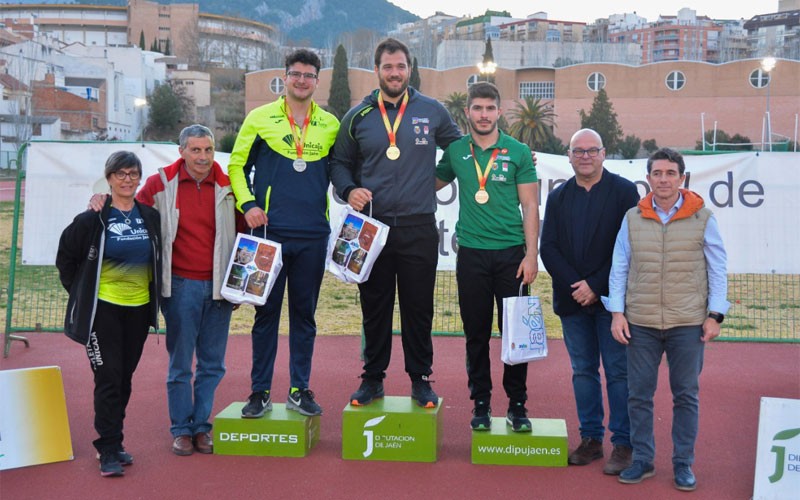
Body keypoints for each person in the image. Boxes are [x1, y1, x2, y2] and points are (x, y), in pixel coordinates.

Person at [330, 38, 462, 408]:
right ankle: (372, 378)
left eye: (400, 66)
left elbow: (462, 152)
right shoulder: (357, 116)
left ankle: (420, 379)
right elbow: (338, 164)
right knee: (375, 305)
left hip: (419, 225)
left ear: (409, 69)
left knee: (419, 307)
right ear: (377, 70)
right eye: (387, 67)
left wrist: (510, 153)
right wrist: (349, 189)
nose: (394, 73)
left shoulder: (432, 111)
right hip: (371, 228)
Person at [604, 148, 729, 491]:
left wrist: (715, 314)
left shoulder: (702, 217)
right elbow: (619, 267)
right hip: (641, 322)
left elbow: (717, 267)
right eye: (657, 173)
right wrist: (617, 313)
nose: (663, 179)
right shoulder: (633, 217)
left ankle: (682, 463)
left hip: (687, 323)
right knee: (638, 395)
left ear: (682, 178)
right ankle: (642, 460)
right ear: (648, 179)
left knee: (686, 395)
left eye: (670, 173)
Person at [227, 49, 339, 418]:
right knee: (266, 315)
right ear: (285, 77)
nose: (302, 80)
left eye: (309, 75)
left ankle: (299, 388)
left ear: (317, 81)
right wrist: (248, 205)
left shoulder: (330, 124)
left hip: (312, 235)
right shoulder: (260, 118)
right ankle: (259, 391)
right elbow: (236, 165)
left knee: (305, 317)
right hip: (269, 234)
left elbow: (341, 172)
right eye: (296, 74)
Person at [434, 82, 539, 432]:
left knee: (515, 335)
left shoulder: (518, 151)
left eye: (489, 108)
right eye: (477, 108)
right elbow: (425, 182)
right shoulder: (455, 151)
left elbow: (530, 205)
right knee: (475, 334)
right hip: (472, 256)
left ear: (499, 112)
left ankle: (517, 405)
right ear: (467, 112)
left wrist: (532, 255)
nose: (483, 114)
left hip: (512, 257)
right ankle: (481, 403)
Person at [540, 128, 640, 474]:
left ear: (604, 153)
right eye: (578, 151)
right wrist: (575, 286)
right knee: (583, 372)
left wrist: (595, 286)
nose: (584, 156)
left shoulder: (625, 192)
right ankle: (592, 440)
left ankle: (624, 444)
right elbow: (548, 248)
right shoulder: (558, 196)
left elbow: (628, 247)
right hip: (572, 303)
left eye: (591, 150)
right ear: (568, 155)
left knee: (618, 373)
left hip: (612, 304)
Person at [57, 151, 162, 477]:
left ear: (139, 178)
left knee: (124, 378)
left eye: (133, 173)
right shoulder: (93, 217)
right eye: (121, 174)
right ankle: (107, 448)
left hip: (138, 309)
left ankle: (116, 442)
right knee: (107, 378)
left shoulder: (149, 216)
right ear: (109, 178)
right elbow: (66, 259)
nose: (127, 179)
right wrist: (84, 294)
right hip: (103, 310)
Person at [136, 125, 238, 456]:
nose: (203, 157)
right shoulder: (159, 183)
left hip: (219, 288)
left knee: (212, 364)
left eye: (208, 150)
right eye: (195, 150)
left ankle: (201, 427)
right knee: (181, 364)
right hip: (179, 286)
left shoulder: (228, 185)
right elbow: (131, 213)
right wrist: (100, 203)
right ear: (181, 151)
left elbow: (244, 230)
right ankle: (181, 428)